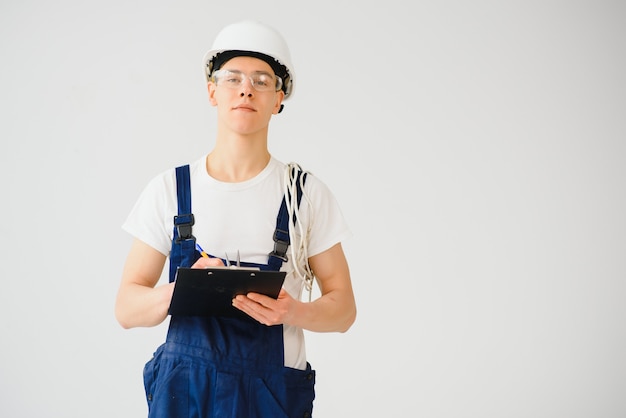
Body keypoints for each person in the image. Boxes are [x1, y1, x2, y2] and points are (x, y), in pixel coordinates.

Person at [115, 20, 356, 417]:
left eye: (263, 80)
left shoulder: (305, 195)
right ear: (212, 91)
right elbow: (126, 307)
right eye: (233, 78)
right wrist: (180, 290)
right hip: (184, 395)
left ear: (280, 98)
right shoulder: (170, 190)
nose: (247, 89)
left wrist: (293, 311)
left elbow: (344, 309)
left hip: (271, 397)